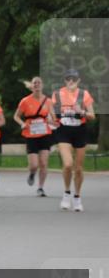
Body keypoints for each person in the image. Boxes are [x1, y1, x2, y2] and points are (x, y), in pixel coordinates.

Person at [51, 69, 96, 212]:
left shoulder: (84, 94)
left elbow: (92, 116)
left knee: (78, 168)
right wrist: (51, 118)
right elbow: (53, 114)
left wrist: (81, 111)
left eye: (74, 79)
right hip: (63, 130)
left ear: (78, 81)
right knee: (68, 164)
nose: (71, 81)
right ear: (64, 81)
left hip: (80, 131)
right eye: (68, 79)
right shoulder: (57, 94)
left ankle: (77, 197)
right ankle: (66, 193)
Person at [13, 77, 55, 197]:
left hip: (45, 134)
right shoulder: (25, 101)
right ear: (31, 86)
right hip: (31, 135)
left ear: (42, 85)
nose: (37, 85)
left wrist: (51, 120)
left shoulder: (48, 101)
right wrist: (22, 124)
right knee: (34, 165)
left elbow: (53, 117)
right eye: (34, 83)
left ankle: (40, 188)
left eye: (39, 83)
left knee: (43, 163)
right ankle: (32, 173)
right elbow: (16, 116)